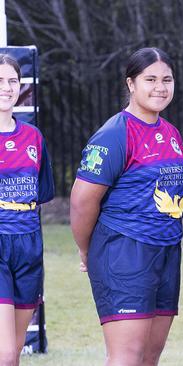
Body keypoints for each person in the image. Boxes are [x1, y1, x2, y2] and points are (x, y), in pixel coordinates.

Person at [70, 47, 183, 366]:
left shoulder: (171, 133)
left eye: (167, 79)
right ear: (131, 84)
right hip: (123, 250)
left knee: (150, 356)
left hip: (166, 251)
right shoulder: (114, 134)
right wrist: (87, 249)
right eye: (150, 79)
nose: (160, 87)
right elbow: (82, 202)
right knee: (127, 357)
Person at [0, 54, 54, 366]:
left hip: (28, 248)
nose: (6, 88)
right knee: (5, 352)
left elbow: (40, 196)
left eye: (12, 81)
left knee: (14, 353)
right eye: (0, 81)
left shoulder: (33, 137)